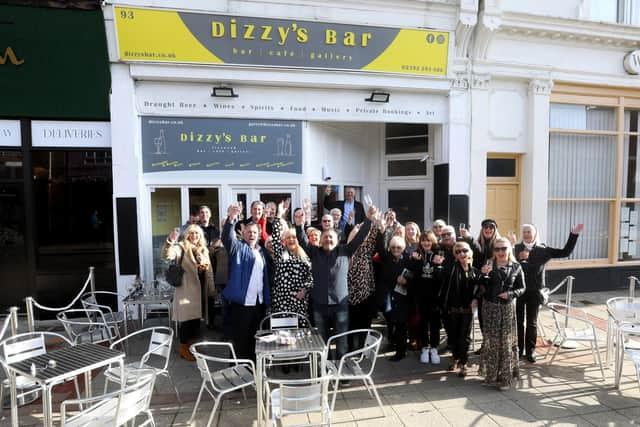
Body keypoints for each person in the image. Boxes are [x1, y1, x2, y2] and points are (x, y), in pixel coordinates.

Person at [294, 205, 376, 359]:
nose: (328, 239)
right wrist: (299, 225)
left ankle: (341, 372)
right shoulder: (314, 252)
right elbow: (302, 240)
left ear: (338, 240)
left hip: (340, 305)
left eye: (331, 237)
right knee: (322, 342)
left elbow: (360, 237)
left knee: (342, 341)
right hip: (319, 305)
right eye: (325, 237)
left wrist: (369, 219)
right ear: (321, 240)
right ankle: (326, 369)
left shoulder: (345, 251)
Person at [513, 223, 583, 363]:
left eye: (529, 231)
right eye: (524, 231)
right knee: (518, 322)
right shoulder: (516, 248)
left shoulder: (543, 250)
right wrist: (510, 247)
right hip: (519, 290)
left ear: (535, 234)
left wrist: (573, 235)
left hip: (535, 292)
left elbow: (565, 252)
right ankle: (519, 350)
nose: (526, 234)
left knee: (531, 323)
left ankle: (530, 351)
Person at [223, 204, 271, 360]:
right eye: (249, 232)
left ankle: (252, 371)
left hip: (258, 304)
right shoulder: (237, 248)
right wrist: (231, 219)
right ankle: (237, 373)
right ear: (243, 234)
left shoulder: (261, 251)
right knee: (240, 340)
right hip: (242, 304)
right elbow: (227, 238)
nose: (252, 234)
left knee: (255, 339)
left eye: (255, 232)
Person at [479, 237, 525, 390]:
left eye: (503, 248)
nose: (500, 252)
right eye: (497, 249)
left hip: (506, 309)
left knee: (505, 343)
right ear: (494, 251)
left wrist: (511, 294)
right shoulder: (488, 264)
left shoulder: (516, 266)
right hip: (490, 307)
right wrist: (482, 276)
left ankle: (505, 379)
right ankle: (491, 376)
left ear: (509, 249)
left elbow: (522, 288)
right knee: (492, 342)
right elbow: (481, 286)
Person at [163, 225, 214, 361]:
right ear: (187, 235)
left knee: (196, 322)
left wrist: (211, 289)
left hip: (201, 291)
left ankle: (193, 347)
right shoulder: (182, 247)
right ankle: (183, 349)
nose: (194, 236)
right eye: (192, 233)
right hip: (187, 291)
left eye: (197, 233)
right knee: (186, 322)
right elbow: (169, 254)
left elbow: (208, 271)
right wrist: (170, 241)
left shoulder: (203, 249)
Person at [436, 241, 480, 377]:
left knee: (464, 338)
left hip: (467, 310)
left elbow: (482, 287)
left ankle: (463, 362)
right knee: (453, 337)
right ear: (455, 255)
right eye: (458, 251)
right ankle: (455, 357)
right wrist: (438, 266)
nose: (462, 253)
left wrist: (476, 298)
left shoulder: (475, 271)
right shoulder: (450, 268)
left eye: (465, 250)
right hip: (452, 310)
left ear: (470, 253)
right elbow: (439, 279)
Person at [270, 201, 314, 322]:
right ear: (284, 240)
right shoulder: (281, 253)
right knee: (282, 333)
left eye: (293, 237)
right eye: (288, 238)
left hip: (298, 302)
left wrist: (304, 290)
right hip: (281, 301)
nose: (291, 240)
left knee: (299, 333)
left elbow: (311, 277)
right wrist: (279, 215)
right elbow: (275, 236)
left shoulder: (303, 256)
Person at [346, 219, 380, 350]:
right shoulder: (347, 250)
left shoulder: (367, 249)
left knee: (364, 321)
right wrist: (352, 233)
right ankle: (350, 348)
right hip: (349, 292)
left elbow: (373, 235)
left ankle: (362, 347)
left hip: (365, 291)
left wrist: (374, 222)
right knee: (350, 322)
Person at [377, 235, 412, 361]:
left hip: (404, 297)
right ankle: (395, 345)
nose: (396, 249)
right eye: (393, 247)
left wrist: (406, 281)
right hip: (390, 296)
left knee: (401, 324)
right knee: (393, 323)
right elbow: (380, 247)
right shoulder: (387, 258)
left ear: (403, 248)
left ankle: (401, 351)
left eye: (398, 247)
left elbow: (414, 276)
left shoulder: (408, 259)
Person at [410, 230, 442, 365]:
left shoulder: (438, 255)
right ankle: (424, 347)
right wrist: (416, 262)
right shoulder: (416, 255)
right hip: (421, 296)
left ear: (433, 241)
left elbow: (440, 279)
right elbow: (414, 278)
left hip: (435, 296)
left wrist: (437, 264)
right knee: (422, 322)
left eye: (428, 240)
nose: (426, 243)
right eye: (423, 240)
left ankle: (434, 348)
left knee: (435, 323)